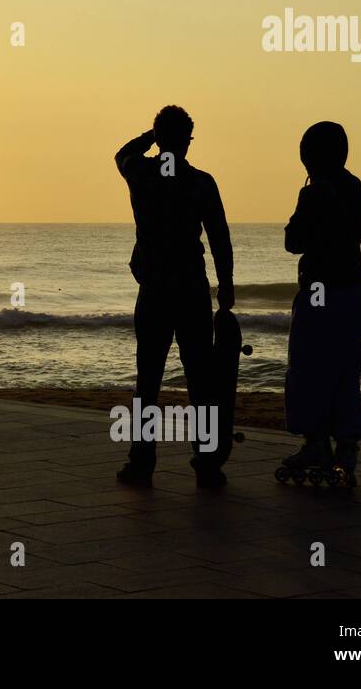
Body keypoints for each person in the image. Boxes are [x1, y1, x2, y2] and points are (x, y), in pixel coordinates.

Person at [114, 106, 235, 488]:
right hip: (191, 289)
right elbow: (219, 238)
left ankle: (142, 459)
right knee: (200, 379)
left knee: (148, 379)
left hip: (154, 289)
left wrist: (150, 137)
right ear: (187, 141)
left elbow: (121, 154)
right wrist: (227, 286)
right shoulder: (200, 182)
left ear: (158, 137)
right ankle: (207, 462)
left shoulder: (142, 173)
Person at [282, 122, 361, 483]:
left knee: (306, 368)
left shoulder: (315, 192)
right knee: (345, 368)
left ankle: (316, 441)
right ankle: (347, 445)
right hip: (352, 290)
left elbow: (293, 241)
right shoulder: (353, 186)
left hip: (320, 292)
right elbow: (357, 235)